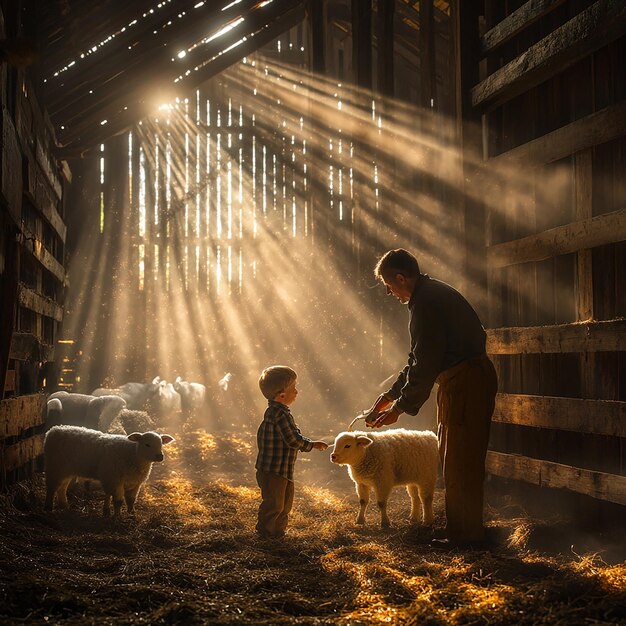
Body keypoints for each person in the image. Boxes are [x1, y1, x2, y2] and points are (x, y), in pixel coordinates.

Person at [366, 249, 497, 545]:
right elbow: (417, 358)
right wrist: (390, 395)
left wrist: (400, 407)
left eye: (389, 286)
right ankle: (462, 532)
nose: (389, 292)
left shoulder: (426, 302)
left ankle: (465, 539)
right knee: (453, 458)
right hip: (459, 382)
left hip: (467, 382)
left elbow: (426, 363)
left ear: (401, 278)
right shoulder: (429, 296)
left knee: (461, 460)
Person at [255, 365, 328, 538]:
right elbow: (293, 439)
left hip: (283, 469)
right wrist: (312, 445)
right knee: (275, 503)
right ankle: (266, 532)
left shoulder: (279, 412)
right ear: (281, 395)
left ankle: (278, 532)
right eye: (293, 388)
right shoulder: (279, 415)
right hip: (273, 471)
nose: (297, 391)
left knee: (285, 503)